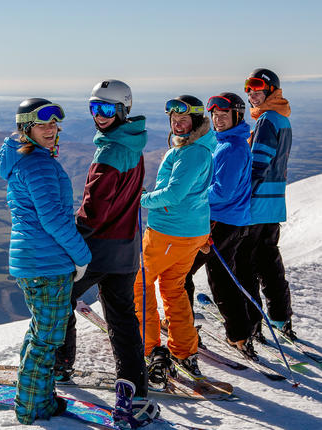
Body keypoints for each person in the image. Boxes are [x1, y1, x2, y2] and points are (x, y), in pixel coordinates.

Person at [53, 80, 155, 425]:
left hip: (98, 249)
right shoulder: (133, 144)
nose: (100, 116)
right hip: (127, 249)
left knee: (60, 299)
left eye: (107, 109)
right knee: (122, 318)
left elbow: (93, 209)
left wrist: (71, 238)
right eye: (95, 108)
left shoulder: (110, 153)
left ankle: (60, 366)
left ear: (123, 110)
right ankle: (135, 391)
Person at [0, 97, 92, 425]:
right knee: (48, 337)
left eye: (53, 124)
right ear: (26, 128)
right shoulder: (38, 164)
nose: (51, 130)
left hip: (32, 260)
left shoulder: (23, 159)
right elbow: (53, 219)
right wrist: (82, 256)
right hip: (46, 262)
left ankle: (38, 393)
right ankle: (31, 407)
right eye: (43, 124)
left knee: (41, 331)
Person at [134, 95, 216, 385]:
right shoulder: (203, 147)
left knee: (139, 284)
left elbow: (173, 194)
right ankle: (184, 350)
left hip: (169, 232)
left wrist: (140, 198)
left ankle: (148, 348)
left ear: (195, 121)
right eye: (173, 119)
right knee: (173, 287)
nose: (177, 123)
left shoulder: (191, 152)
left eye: (183, 118)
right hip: (190, 232)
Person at [182, 92, 255, 357]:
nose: (218, 119)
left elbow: (222, 192)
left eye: (224, 114)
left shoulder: (232, 148)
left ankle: (183, 329)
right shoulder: (228, 143)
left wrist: (191, 192)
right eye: (214, 115)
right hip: (232, 221)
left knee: (181, 274)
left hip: (220, 222)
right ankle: (239, 334)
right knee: (222, 278)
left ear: (237, 115)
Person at [235, 68, 295, 341]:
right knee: (270, 263)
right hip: (274, 204)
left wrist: (239, 191)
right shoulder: (283, 119)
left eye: (257, 87)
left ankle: (252, 322)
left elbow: (258, 162)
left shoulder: (267, 120)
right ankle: (281, 317)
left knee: (246, 264)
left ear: (271, 89)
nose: (251, 93)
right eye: (248, 88)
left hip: (257, 204)